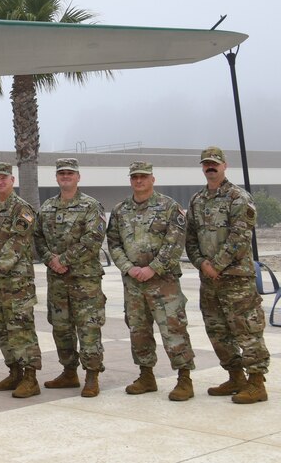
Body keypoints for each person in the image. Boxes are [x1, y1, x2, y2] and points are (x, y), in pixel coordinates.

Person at [186, 146, 269, 404]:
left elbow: (240, 237)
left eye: (214, 163)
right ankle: (235, 377)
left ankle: (256, 383)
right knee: (217, 330)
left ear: (224, 165)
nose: (210, 167)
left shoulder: (238, 198)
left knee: (246, 329)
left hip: (236, 280)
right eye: (206, 163)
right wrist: (202, 264)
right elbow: (190, 240)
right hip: (209, 281)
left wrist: (216, 265)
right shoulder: (197, 200)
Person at [107, 161, 196, 401]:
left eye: (143, 177)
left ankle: (184, 379)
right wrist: (128, 268)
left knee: (173, 329)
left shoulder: (169, 207)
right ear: (130, 180)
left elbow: (175, 243)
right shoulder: (120, 210)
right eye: (135, 177)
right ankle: (146, 376)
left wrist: (153, 268)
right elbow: (114, 243)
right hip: (134, 284)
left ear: (152, 179)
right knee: (138, 331)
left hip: (163, 283)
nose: (139, 181)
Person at [34, 158, 106, 398]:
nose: (66, 176)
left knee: (88, 328)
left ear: (78, 177)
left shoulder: (91, 206)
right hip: (57, 281)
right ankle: (69, 372)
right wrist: (49, 259)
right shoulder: (46, 207)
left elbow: (92, 240)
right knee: (61, 328)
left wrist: (62, 260)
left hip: (85, 281)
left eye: (70, 173)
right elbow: (37, 238)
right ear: (56, 177)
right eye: (61, 173)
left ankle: (92, 375)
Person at [0, 162, 42, 398]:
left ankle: (31, 378)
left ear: (12, 180)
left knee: (22, 329)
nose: (0, 182)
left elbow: (19, 242)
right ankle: (14, 373)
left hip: (17, 283)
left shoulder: (23, 209)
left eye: (4, 178)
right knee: (3, 329)